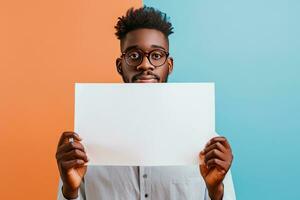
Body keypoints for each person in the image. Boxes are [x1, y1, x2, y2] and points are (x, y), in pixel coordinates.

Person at [56, 6, 235, 200]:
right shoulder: (84, 144)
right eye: (134, 56)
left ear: (169, 65)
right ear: (119, 66)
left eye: (156, 55)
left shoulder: (206, 143)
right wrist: (70, 191)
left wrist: (216, 192)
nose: (145, 64)